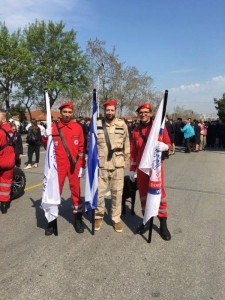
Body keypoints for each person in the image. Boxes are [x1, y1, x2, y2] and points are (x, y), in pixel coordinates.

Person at [129, 103, 171, 241]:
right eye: (141, 112)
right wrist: (132, 169)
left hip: (155, 168)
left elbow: (169, 145)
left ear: (151, 113)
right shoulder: (135, 131)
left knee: (159, 195)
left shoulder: (159, 128)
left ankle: (163, 224)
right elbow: (134, 152)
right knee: (143, 196)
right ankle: (146, 221)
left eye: (146, 112)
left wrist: (165, 146)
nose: (143, 114)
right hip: (141, 169)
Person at [43, 102, 86, 235]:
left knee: (76, 193)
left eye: (69, 112)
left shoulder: (77, 127)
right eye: (64, 112)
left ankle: (77, 219)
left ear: (72, 113)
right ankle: (51, 222)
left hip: (74, 166)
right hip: (58, 167)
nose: (67, 114)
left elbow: (82, 149)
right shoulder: (53, 127)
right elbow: (47, 147)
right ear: (60, 112)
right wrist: (45, 136)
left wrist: (82, 166)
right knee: (55, 193)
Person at [94, 100, 130, 233]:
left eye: (112, 110)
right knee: (99, 193)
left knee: (117, 193)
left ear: (115, 110)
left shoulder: (122, 124)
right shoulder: (97, 124)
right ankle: (98, 216)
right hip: (101, 164)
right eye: (108, 110)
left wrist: (126, 159)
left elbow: (127, 142)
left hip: (118, 164)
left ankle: (116, 218)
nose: (110, 112)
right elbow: (91, 144)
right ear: (104, 111)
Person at [0, 110, 16, 214]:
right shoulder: (11, 130)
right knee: (6, 182)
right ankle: (4, 205)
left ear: (4, 119)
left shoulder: (0, 131)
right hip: (10, 160)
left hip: (1, 159)